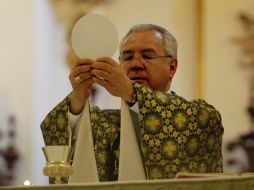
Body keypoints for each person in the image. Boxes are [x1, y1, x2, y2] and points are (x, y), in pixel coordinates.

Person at [41, 24, 224, 181]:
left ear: (172, 67)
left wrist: (131, 92)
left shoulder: (199, 116)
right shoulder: (106, 125)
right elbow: (58, 129)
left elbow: (206, 119)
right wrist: (79, 96)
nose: (136, 64)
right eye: (127, 57)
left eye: (148, 56)